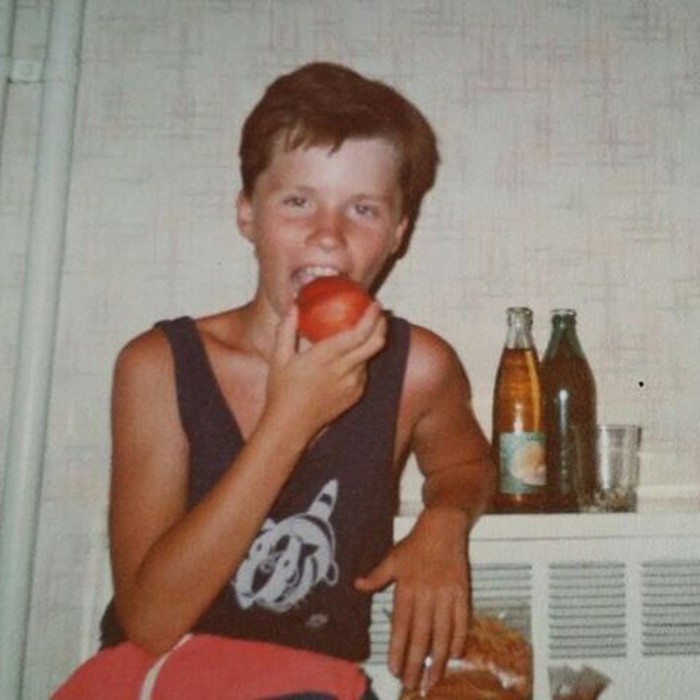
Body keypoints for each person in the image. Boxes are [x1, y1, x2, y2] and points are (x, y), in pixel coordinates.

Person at [53, 61, 494, 700]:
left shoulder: (418, 368)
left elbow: (467, 465)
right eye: (297, 201)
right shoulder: (159, 365)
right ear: (247, 214)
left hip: (317, 684)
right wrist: (290, 421)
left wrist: (445, 524)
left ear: (398, 234)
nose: (328, 235)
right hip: (165, 678)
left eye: (363, 209)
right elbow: (149, 622)